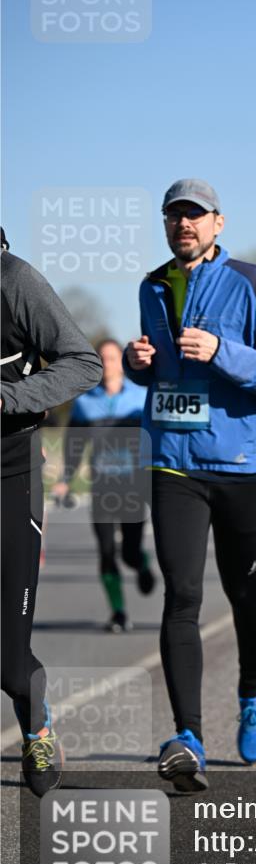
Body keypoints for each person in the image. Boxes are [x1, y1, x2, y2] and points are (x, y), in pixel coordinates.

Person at [123, 179, 256, 792]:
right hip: (173, 460)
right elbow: (158, 371)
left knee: (242, 586)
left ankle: (252, 690)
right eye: (174, 216)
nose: (185, 224)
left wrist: (225, 351)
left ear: (218, 223)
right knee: (181, 593)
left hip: (239, 462)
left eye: (195, 216)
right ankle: (189, 738)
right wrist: (137, 365)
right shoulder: (154, 285)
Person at [1, 229, 102, 796]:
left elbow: (82, 363)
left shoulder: (14, 280)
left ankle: (36, 727)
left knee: (9, 661)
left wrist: (8, 396)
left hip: (9, 477)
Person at [51, 338, 155, 632]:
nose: (108, 364)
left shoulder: (141, 397)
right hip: (103, 486)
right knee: (106, 550)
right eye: (103, 359)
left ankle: (141, 562)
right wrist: (65, 481)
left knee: (129, 552)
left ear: (121, 363)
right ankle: (119, 612)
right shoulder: (85, 403)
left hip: (134, 485)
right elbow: (74, 446)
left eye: (112, 358)